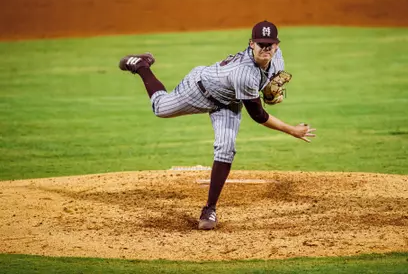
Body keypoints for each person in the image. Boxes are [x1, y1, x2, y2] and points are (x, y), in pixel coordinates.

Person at [118, 20, 316, 230]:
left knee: (226, 148)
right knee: (160, 108)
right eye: (261, 44)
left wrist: (268, 90)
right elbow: (258, 115)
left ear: (277, 46)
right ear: (251, 44)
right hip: (200, 89)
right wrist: (291, 130)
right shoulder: (244, 73)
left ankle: (209, 209)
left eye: (270, 45)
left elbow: (270, 83)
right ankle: (141, 66)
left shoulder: (278, 59)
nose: (266, 48)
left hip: (229, 103)